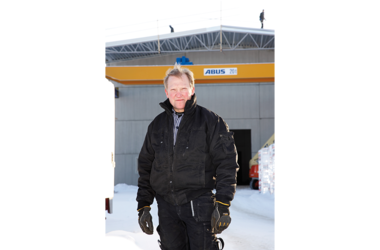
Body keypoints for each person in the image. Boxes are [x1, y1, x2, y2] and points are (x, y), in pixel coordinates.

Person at [136, 63, 239, 250]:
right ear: (166, 92)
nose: (179, 93)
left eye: (184, 88)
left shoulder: (211, 121)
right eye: (173, 89)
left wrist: (223, 203)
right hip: (166, 206)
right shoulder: (156, 126)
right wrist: (144, 205)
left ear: (192, 89)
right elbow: (146, 166)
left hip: (198, 204)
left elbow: (227, 162)